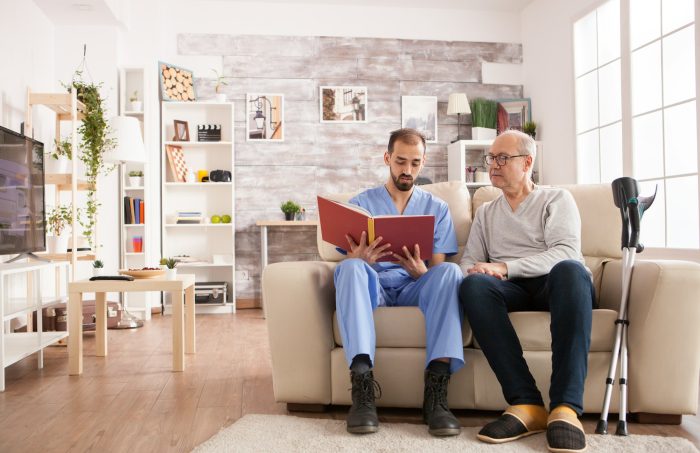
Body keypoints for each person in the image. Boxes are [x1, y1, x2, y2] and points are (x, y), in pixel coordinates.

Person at [458, 130, 593, 453]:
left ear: (527, 162)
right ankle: (527, 404)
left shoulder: (555, 199)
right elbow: (469, 262)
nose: (493, 165)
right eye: (491, 158)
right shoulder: (488, 213)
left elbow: (565, 253)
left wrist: (505, 267)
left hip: (557, 284)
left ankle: (566, 408)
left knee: (571, 270)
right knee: (474, 285)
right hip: (512, 289)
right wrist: (480, 271)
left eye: (502, 158)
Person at [334, 128, 464, 436]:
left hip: (414, 287)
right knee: (350, 267)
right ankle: (363, 390)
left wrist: (422, 272)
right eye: (400, 161)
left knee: (451, 273)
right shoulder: (361, 203)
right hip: (373, 286)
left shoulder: (438, 208)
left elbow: (438, 267)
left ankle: (436, 394)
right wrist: (360, 259)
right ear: (387, 158)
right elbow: (348, 253)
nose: (407, 170)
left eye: (415, 163)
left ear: (423, 162)